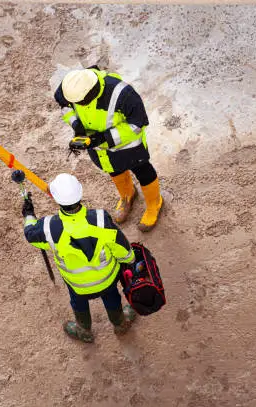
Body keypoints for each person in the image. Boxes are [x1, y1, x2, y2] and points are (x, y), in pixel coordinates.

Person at [22, 173, 137, 343]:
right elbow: (123, 249)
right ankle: (120, 324)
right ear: (80, 193)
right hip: (107, 279)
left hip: (76, 284)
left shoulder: (48, 228)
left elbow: (30, 234)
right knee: (112, 297)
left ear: (55, 198)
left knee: (78, 302)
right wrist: (131, 261)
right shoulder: (100, 219)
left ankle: (83, 330)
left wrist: (29, 214)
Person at [54, 66, 163, 232]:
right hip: (99, 149)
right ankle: (128, 195)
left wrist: (102, 138)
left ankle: (154, 204)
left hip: (129, 146)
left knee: (143, 171)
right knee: (113, 168)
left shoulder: (124, 95)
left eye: (81, 102)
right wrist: (77, 125)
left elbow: (137, 125)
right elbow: (65, 106)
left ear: (92, 92)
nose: (78, 105)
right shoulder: (70, 88)